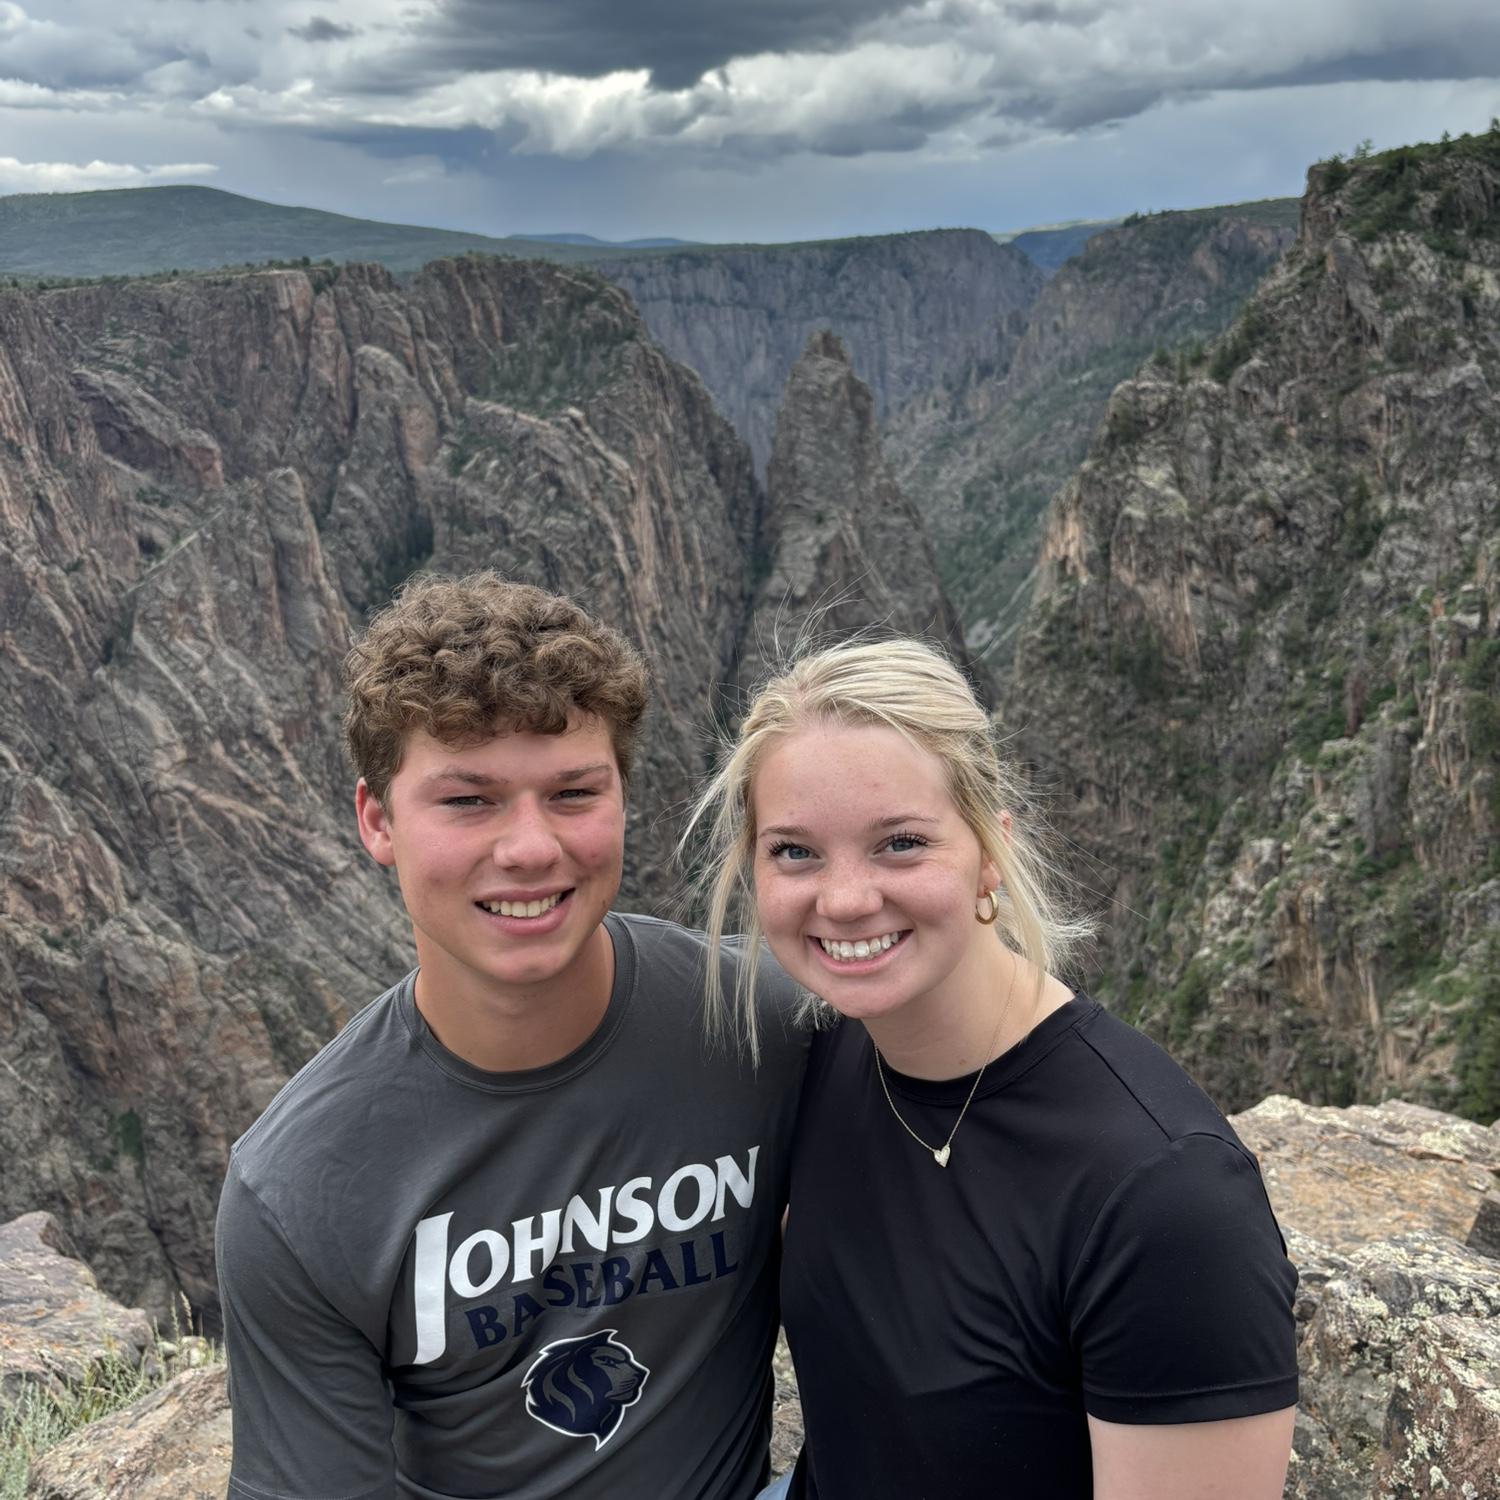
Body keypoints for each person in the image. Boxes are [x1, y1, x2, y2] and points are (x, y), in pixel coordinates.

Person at [216, 573, 808, 1500]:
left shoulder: (763, 1020)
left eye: (574, 792)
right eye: (468, 800)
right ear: (378, 820)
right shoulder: (298, 1192)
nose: (531, 848)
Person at [688, 637, 1299, 1500]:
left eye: (900, 843)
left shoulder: (1166, 1201)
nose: (847, 899)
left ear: (989, 852)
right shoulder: (828, 1052)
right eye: (795, 851)